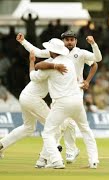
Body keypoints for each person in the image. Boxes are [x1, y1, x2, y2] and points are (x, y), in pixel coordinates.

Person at [16, 30, 101, 163]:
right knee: (62, 124)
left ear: (76, 41)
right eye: (67, 40)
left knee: (69, 122)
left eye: (72, 39)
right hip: (59, 93)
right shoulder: (57, 52)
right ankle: (51, 155)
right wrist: (23, 42)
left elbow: (96, 61)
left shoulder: (81, 53)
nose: (69, 42)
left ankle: (68, 151)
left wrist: (87, 80)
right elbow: (37, 52)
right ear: (62, 42)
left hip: (75, 90)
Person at [0, 55, 66, 160]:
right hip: (33, 99)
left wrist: (31, 61)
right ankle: (46, 156)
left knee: (28, 128)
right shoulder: (52, 68)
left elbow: (32, 74)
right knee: (55, 125)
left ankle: (1, 144)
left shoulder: (48, 65)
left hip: (24, 96)